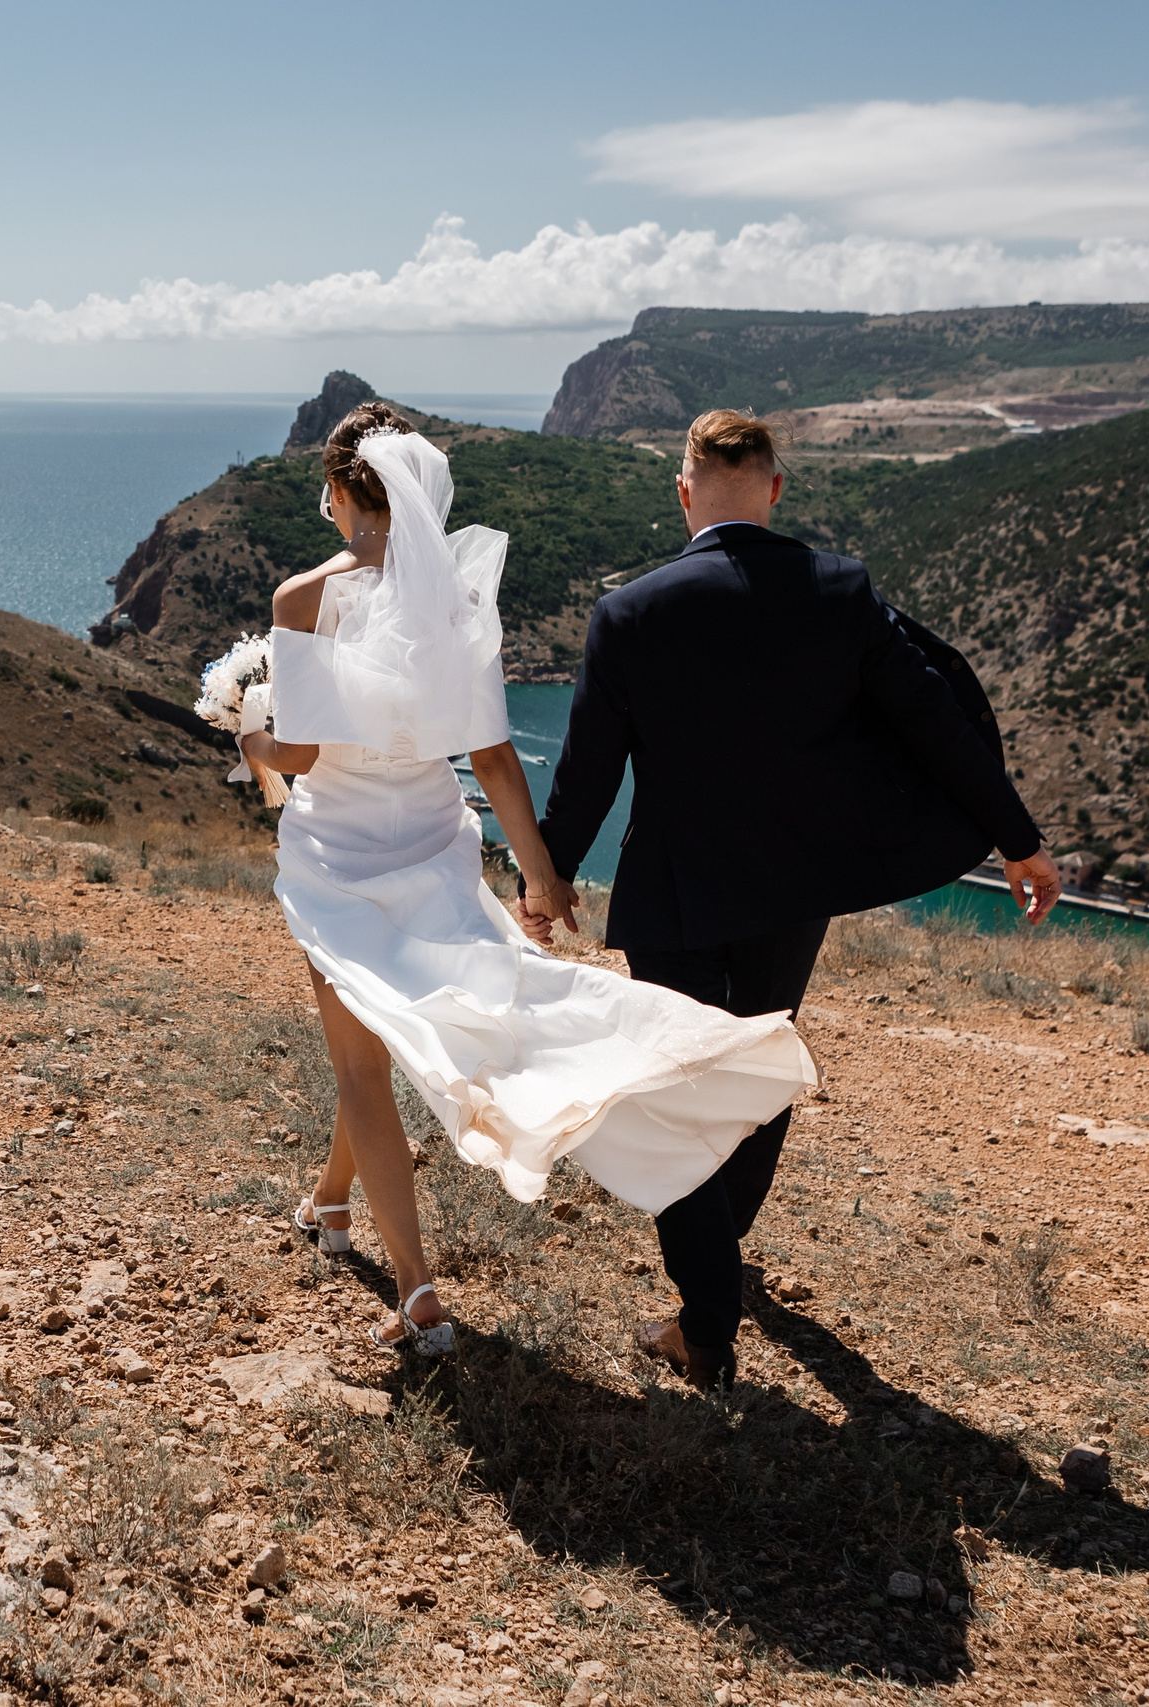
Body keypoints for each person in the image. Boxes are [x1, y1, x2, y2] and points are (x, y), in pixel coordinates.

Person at [232, 401, 818, 1356]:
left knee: (360, 1060)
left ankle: (416, 1290)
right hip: (430, 843)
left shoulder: (304, 598)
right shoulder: (455, 601)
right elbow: (496, 760)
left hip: (338, 849)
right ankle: (330, 1200)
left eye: (325, 492)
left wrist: (251, 733)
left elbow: (299, 751)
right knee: (393, 1018)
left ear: (341, 490)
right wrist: (542, 878)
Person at [520, 408, 1062, 1389]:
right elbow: (938, 723)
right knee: (760, 1087)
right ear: (773, 492)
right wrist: (1017, 841)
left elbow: (585, 777)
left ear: (683, 494)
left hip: (674, 895)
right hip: (791, 891)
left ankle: (707, 1321)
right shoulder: (837, 591)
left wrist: (546, 877)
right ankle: (713, 1281)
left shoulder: (629, 615)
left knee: (680, 1099)